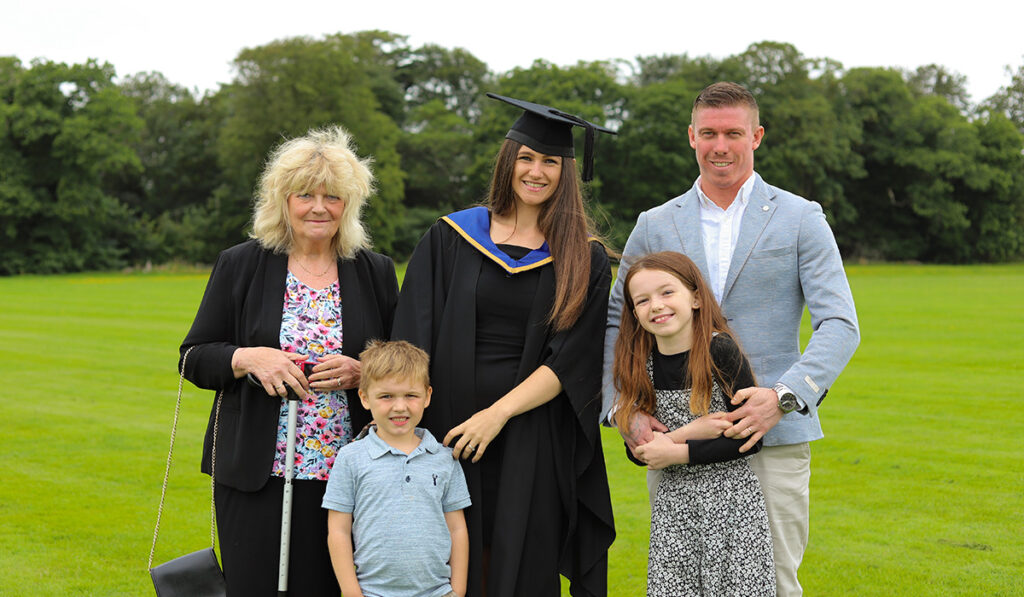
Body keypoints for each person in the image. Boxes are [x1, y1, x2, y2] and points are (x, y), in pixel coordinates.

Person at [602, 81, 860, 597]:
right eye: (710, 133)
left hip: (773, 439)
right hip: (678, 440)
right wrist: (621, 409)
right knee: (681, 584)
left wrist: (782, 398)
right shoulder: (654, 223)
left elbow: (840, 324)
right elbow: (616, 322)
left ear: (756, 136)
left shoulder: (800, 216)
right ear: (691, 137)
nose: (721, 146)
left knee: (773, 584)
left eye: (734, 133)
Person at [392, 93, 616, 597]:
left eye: (550, 162)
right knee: (442, 563)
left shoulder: (584, 259)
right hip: (446, 428)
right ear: (508, 160)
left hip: (532, 435)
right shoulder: (451, 236)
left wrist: (497, 415)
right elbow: (411, 339)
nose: (537, 171)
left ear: (567, 173)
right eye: (527, 158)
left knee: (521, 564)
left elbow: (571, 360)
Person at [179, 126, 399, 596]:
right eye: (305, 195)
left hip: (349, 470)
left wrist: (364, 371)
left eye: (333, 197)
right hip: (256, 470)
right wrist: (248, 357)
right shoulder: (240, 264)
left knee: (333, 586)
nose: (319, 207)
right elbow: (193, 358)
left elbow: (403, 365)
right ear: (283, 201)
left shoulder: (375, 271)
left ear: (349, 205)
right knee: (254, 585)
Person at [612, 251, 774, 597]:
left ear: (696, 298)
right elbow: (641, 451)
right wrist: (688, 435)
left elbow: (748, 439)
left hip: (732, 505)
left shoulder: (721, 351)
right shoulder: (640, 365)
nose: (655, 305)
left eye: (667, 292)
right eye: (642, 300)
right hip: (674, 506)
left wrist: (677, 452)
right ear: (634, 312)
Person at [323, 340, 471, 597]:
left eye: (410, 395)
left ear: (427, 396)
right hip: (372, 592)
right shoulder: (350, 458)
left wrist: (457, 591)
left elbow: (457, 529)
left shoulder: (445, 459)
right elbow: (338, 530)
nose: (400, 407)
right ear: (365, 398)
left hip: (437, 592)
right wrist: (351, 593)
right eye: (386, 396)